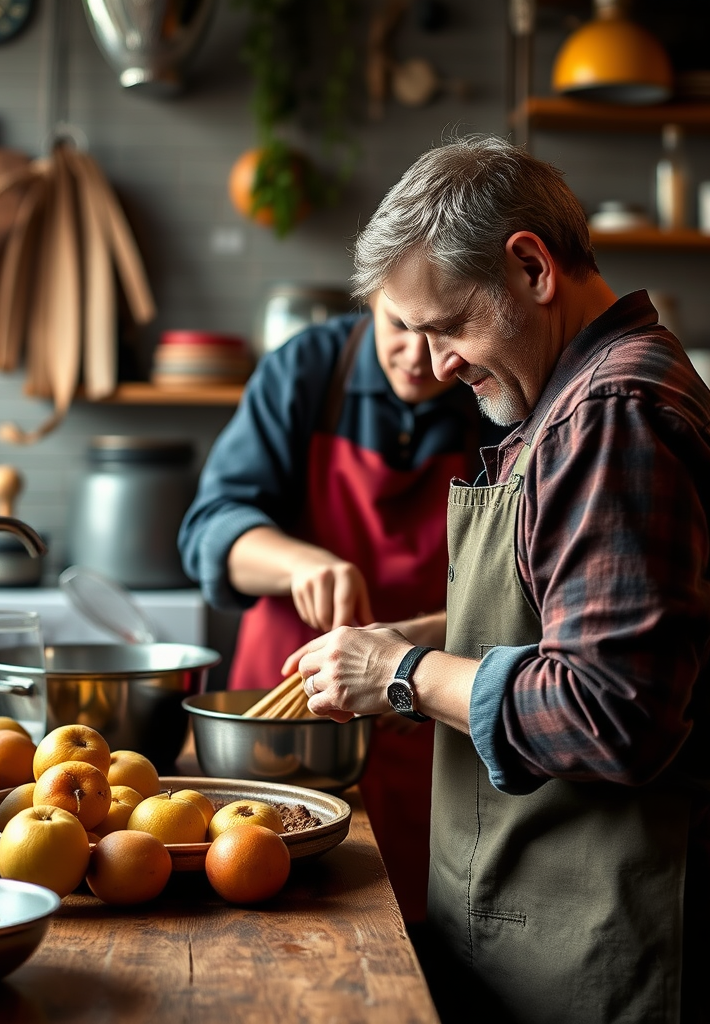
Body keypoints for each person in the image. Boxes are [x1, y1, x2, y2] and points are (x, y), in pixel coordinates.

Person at [285, 135, 710, 1024]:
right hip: (569, 924)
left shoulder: (613, 415)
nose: (438, 364)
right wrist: (418, 636)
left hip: (625, 934)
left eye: (445, 326)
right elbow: (562, 621)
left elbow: (612, 710)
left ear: (530, 266)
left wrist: (397, 678)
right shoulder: (572, 400)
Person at [178, 289, 501, 926]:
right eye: (399, 326)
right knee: (260, 897)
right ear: (371, 299)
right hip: (286, 715)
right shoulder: (305, 371)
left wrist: (425, 658)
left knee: (417, 919)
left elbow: (511, 580)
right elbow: (208, 530)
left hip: (423, 708)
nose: (419, 356)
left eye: (442, 332)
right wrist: (299, 563)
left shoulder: (490, 393)